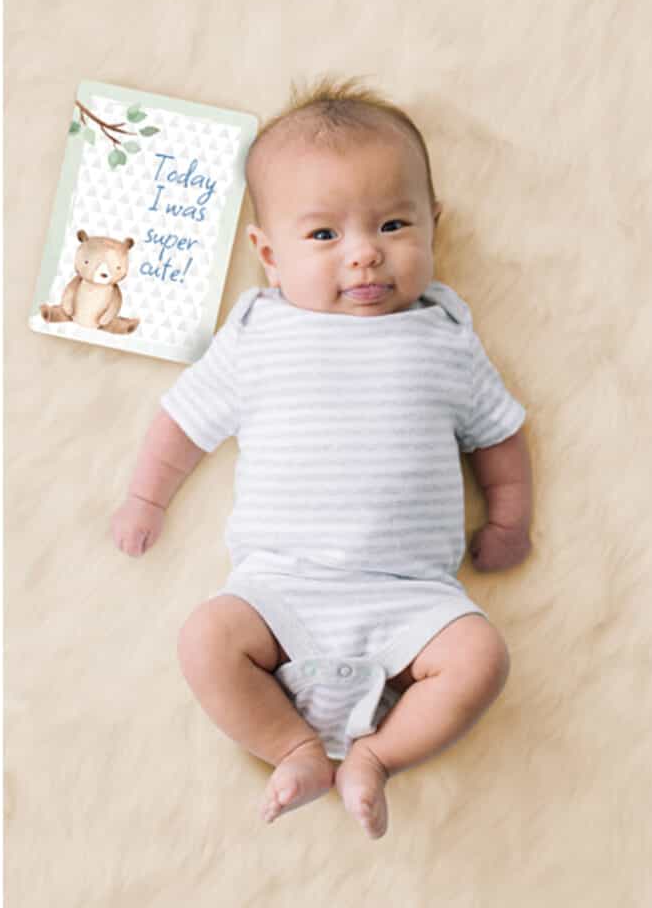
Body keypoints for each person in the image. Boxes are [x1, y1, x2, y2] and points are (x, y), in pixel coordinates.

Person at [111, 76, 533, 840]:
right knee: (205, 640)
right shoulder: (258, 337)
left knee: (482, 659)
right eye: (324, 236)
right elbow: (182, 422)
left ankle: (378, 756)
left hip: (412, 598)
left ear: (434, 228)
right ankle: (294, 748)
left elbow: (498, 433)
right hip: (282, 592)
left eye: (394, 224)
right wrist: (148, 498)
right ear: (268, 254)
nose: (366, 254)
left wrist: (509, 515)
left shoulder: (444, 338)